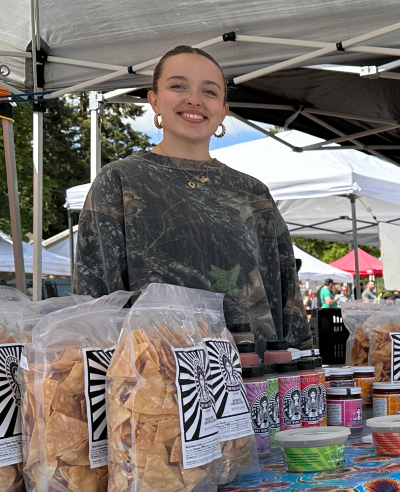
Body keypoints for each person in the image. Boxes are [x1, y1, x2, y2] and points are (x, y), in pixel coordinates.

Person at [74, 44, 314, 348]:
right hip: (154, 381)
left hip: (251, 380)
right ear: (155, 101)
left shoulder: (253, 194)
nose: (194, 100)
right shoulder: (119, 181)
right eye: (178, 86)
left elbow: (286, 297)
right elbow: (93, 301)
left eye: (210, 92)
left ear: (224, 111)